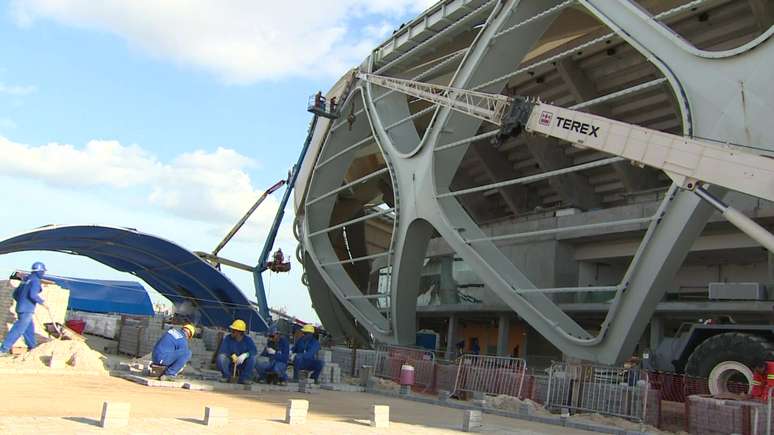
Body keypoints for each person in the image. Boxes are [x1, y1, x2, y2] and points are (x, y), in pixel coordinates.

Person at [0, 262, 48, 356]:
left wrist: (22, 302)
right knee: (18, 329)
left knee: (29, 329)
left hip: (21, 308)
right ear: (40, 271)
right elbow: (33, 295)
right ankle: (3, 349)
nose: (43, 273)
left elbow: (15, 294)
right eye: (43, 271)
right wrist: (43, 303)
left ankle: (33, 348)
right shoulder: (35, 281)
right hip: (27, 309)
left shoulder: (26, 280)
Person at [216, 319, 257, 385]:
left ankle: (244, 378)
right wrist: (232, 355)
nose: (231, 332)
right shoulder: (227, 338)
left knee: (253, 358)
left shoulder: (248, 340)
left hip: (243, 364)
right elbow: (223, 350)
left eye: (234, 331)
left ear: (239, 332)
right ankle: (226, 376)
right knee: (221, 357)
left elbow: (254, 351)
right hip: (230, 363)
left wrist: (245, 355)